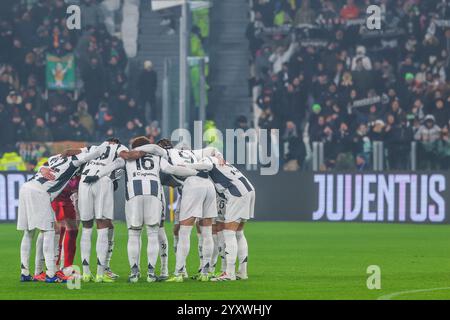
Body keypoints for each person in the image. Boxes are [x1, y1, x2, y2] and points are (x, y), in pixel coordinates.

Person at [17, 142, 109, 283]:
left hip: (26, 187)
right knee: (49, 232)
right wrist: (106, 145)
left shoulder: (55, 158)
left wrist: (42, 168)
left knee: (29, 232)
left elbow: (44, 164)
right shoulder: (76, 161)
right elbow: (96, 153)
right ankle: (51, 274)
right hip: (41, 193)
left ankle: (24, 272)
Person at [123, 137, 197, 283]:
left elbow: (111, 166)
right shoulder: (157, 156)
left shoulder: (126, 157)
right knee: (152, 234)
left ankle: (134, 274)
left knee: (134, 234)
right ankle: (151, 273)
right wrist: (193, 171)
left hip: (133, 195)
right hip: (154, 194)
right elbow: (171, 169)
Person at [156, 139, 219, 282]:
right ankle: (205, 272)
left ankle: (179, 273)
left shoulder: (165, 155)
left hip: (192, 185)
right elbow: (213, 150)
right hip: (208, 185)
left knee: (184, 232)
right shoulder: (191, 152)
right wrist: (218, 156)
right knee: (207, 231)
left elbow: (169, 170)